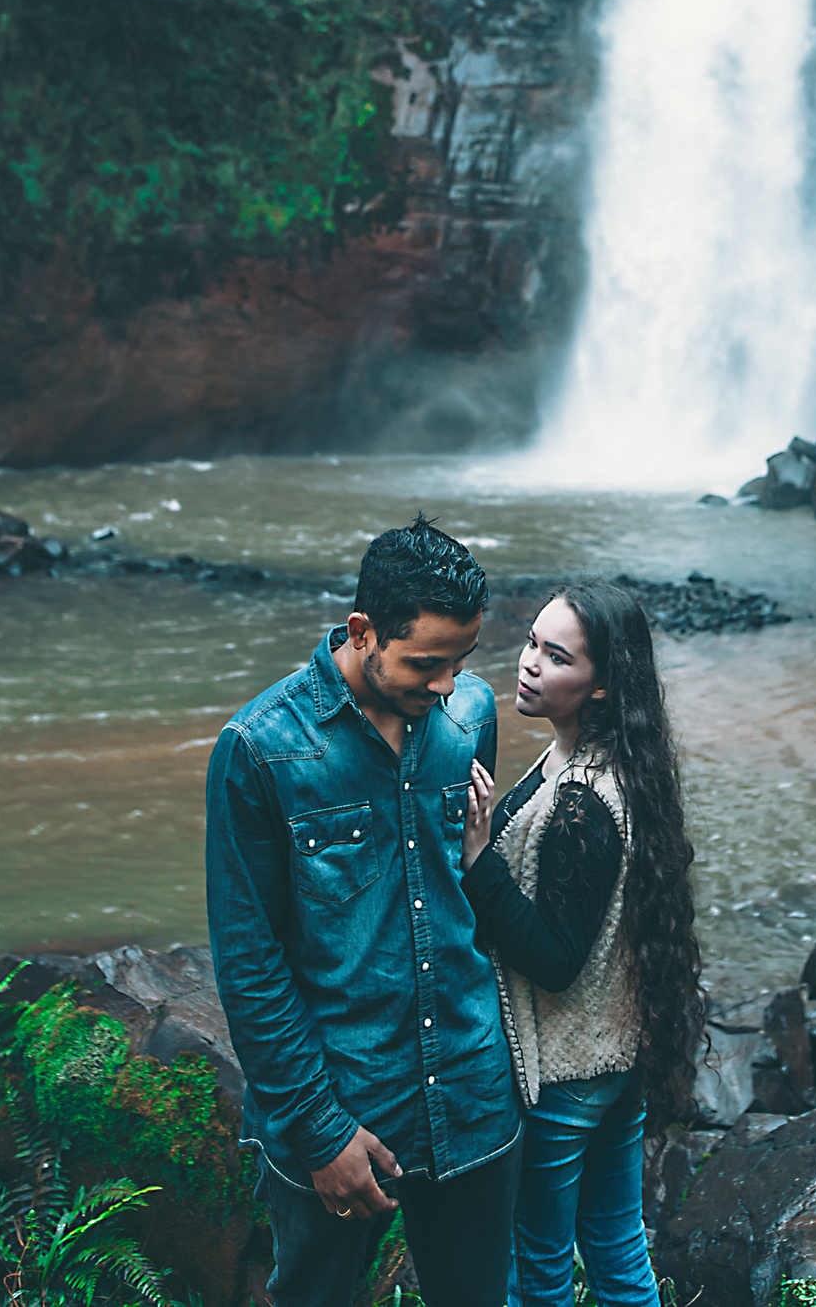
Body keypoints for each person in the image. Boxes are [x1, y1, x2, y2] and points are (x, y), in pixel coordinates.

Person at [206, 515, 522, 1307]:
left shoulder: (471, 714)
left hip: (474, 1097)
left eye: (463, 659)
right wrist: (320, 1133)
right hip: (347, 1111)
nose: (449, 683)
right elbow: (250, 964)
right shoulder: (259, 750)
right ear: (362, 631)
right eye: (426, 663)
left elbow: (464, 890)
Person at [460, 578, 703, 1307]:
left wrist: (479, 861)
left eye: (556, 657)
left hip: (565, 1072)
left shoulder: (584, 801)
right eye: (532, 642)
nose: (529, 663)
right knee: (617, 1246)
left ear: (600, 686)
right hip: (614, 1050)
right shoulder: (595, 758)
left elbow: (557, 961)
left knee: (537, 1270)